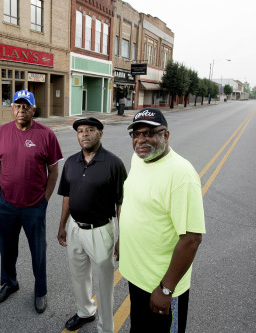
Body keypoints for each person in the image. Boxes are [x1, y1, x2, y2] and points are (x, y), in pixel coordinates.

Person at [116, 108, 206, 332]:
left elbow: (192, 239)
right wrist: (123, 238)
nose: (140, 140)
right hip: (137, 277)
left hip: (161, 284)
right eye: (136, 134)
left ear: (166, 135)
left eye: (149, 133)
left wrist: (166, 289)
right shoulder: (139, 158)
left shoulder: (181, 175)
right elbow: (135, 203)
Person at [0, 90, 63, 314]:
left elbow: (53, 171)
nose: (21, 110)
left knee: (38, 251)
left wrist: (44, 201)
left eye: (26, 106)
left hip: (34, 206)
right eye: (17, 106)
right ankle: (10, 283)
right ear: (12, 108)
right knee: (7, 248)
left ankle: (40, 291)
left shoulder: (46, 135)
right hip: (6, 205)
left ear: (33, 110)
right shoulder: (1, 133)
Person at [57, 117, 127, 332]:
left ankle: (106, 327)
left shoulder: (114, 164)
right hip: (76, 229)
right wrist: (62, 226)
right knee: (78, 276)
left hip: (101, 230)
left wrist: (121, 238)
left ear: (100, 134)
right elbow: (67, 197)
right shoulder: (70, 162)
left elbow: (121, 204)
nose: (84, 134)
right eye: (80, 131)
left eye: (90, 130)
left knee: (103, 284)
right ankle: (85, 311)